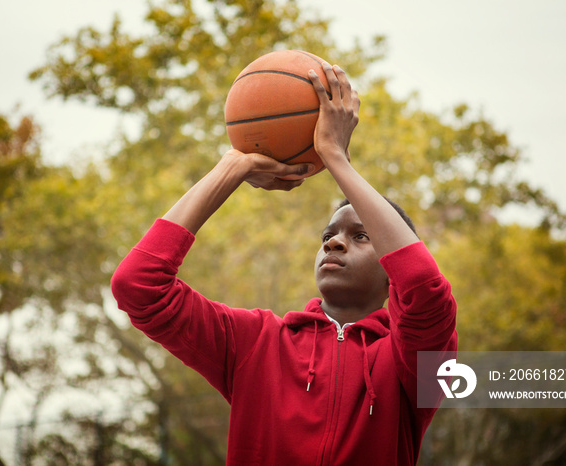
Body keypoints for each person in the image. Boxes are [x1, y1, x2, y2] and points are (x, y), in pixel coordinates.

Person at [111, 61, 457, 465]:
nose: (335, 244)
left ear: (391, 275)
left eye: (360, 236)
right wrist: (233, 167)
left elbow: (425, 288)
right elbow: (137, 286)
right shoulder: (254, 343)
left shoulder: (416, 364)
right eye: (328, 237)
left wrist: (335, 158)